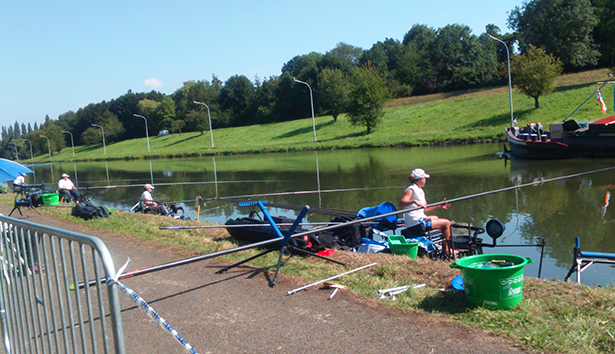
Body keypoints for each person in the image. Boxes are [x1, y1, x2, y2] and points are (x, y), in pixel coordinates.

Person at [398, 168, 453, 255]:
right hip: (415, 222)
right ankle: (447, 249)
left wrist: (439, 205)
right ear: (421, 179)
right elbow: (401, 203)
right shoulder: (411, 189)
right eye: (424, 178)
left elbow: (424, 209)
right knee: (447, 223)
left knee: (435, 217)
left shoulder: (420, 191)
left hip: (420, 218)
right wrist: (414, 201)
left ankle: (436, 243)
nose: (425, 180)